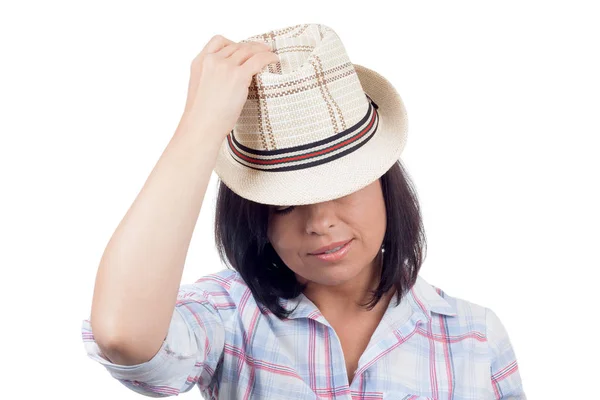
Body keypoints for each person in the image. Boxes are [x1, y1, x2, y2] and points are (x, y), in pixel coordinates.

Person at [81, 23, 527, 399]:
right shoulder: (228, 316)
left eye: (342, 186)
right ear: (254, 214)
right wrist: (201, 124)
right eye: (284, 203)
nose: (319, 223)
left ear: (384, 181)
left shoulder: (474, 338)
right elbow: (124, 336)